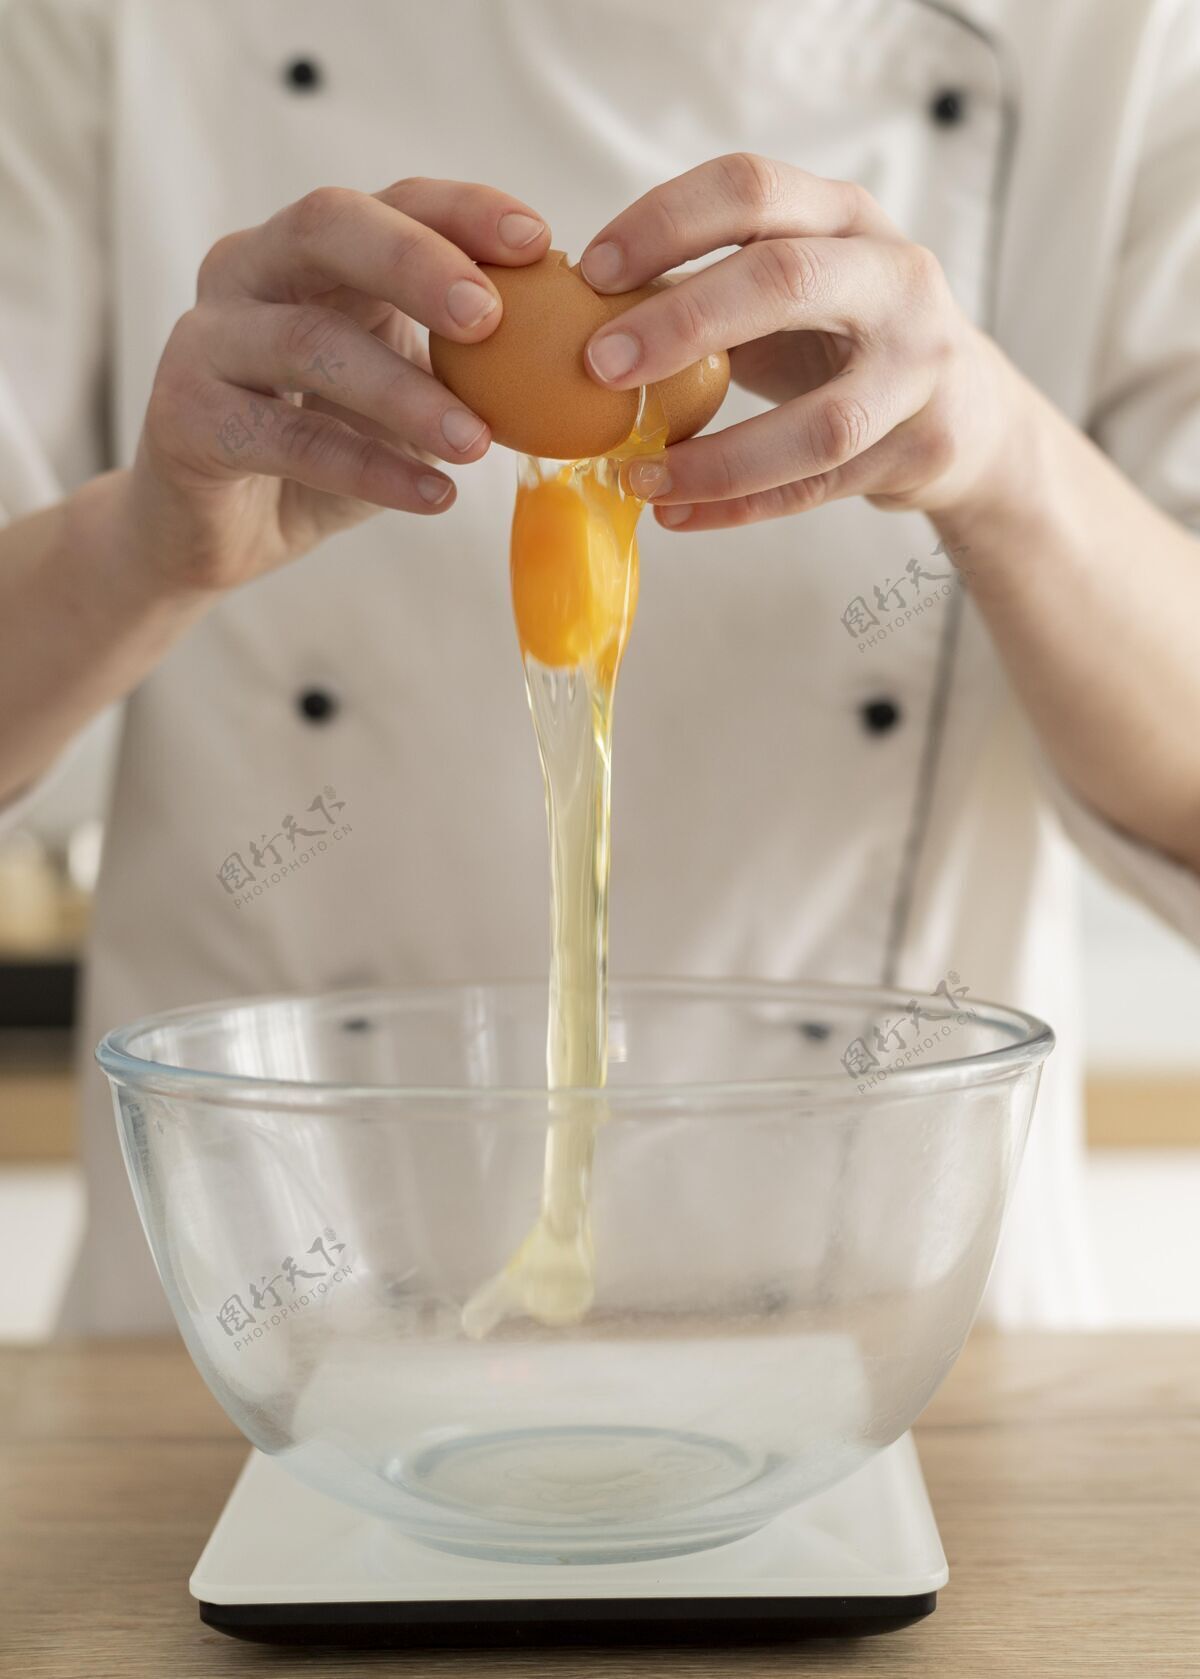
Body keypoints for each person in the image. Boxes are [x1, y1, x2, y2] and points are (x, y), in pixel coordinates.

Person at [1, 0, 1198, 1334]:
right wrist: (143, 545)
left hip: (908, 1351)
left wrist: (1005, 461)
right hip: (245, 1345)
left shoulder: (1123, 31)